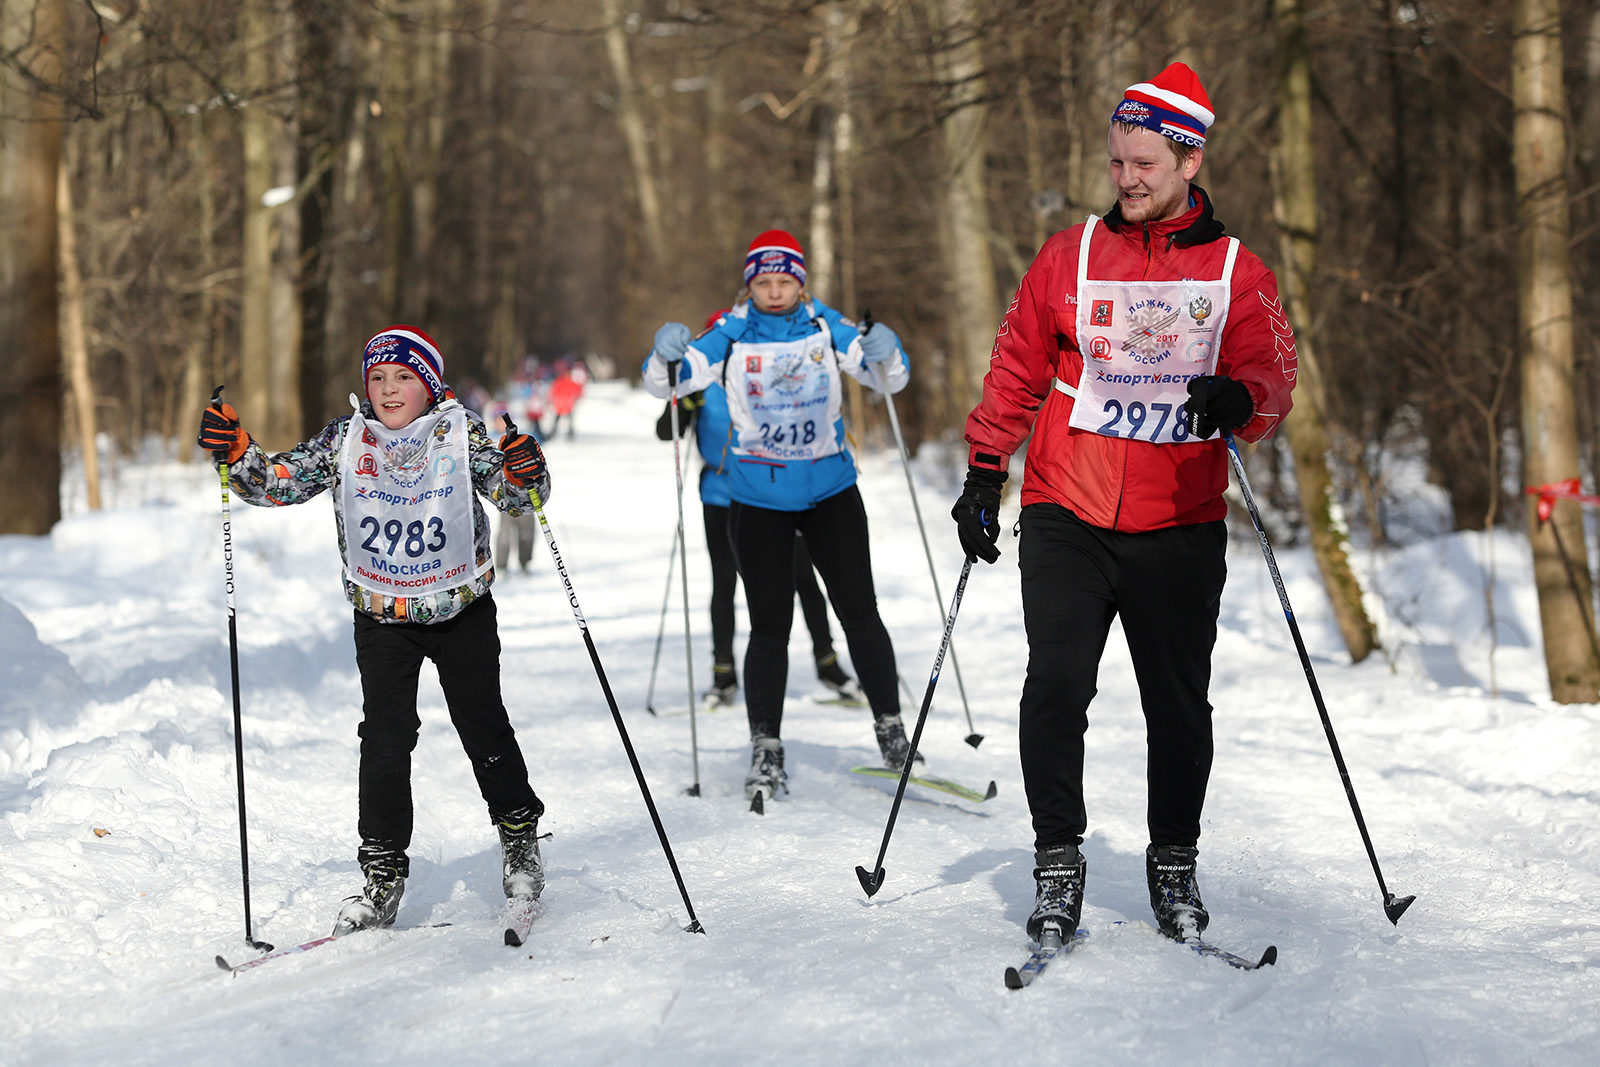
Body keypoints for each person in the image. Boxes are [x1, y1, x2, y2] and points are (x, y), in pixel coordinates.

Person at [952, 64, 1298, 946]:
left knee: (1177, 703)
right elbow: (1018, 365)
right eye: (1117, 162)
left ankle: (1173, 860)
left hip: (1178, 518)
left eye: (1144, 162)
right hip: (1068, 506)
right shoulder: (1067, 256)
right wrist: (985, 469)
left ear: (1188, 158)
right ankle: (1058, 862)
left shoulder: (1233, 269)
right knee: (1058, 684)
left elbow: (1272, 370)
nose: (1128, 178)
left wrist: (1240, 398)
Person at [197, 325, 553, 935]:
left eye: (405, 377)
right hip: (383, 615)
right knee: (385, 741)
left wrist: (526, 469)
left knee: (482, 722)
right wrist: (238, 454)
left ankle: (519, 834)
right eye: (378, 377)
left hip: (460, 609)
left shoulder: (459, 432)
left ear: (430, 385)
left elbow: (520, 498)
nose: (390, 389)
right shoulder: (346, 438)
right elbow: (281, 482)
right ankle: (382, 871)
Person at [642, 229, 915, 805]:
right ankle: (766, 746)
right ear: (749, 285)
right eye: (762, 282)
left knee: (859, 613)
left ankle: (891, 729)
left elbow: (886, 379)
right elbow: (667, 381)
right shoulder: (732, 334)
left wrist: (889, 350)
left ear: (800, 280)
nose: (773, 291)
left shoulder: (825, 326)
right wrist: (662, 354)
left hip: (830, 491)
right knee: (770, 625)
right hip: (758, 499)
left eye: (783, 280)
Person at [653, 309, 865, 708]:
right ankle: (723, 672)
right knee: (725, 584)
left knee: (803, 576)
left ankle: (828, 663)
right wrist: (680, 399)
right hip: (721, 495)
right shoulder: (701, 379)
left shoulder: (762, 373)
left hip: (775, 495)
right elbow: (667, 432)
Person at [489, 403, 541, 575]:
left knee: (527, 530)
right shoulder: (490, 441)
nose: (500, 424)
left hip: (526, 491)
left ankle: (525, 562)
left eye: (502, 420)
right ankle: (502, 565)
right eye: (497, 420)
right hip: (506, 494)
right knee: (505, 532)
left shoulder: (520, 438)